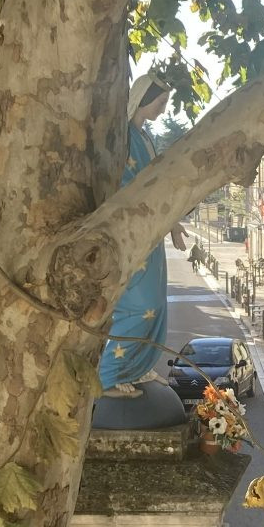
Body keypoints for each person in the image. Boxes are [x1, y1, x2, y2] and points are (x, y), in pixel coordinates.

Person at [97, 73, 184, 397]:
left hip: (152, 233)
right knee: (138, 304)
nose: (163, 109)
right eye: (160, 102)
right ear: (144, 99)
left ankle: (136, 367)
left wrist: (172, 223)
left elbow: (156, 183)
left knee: (157, 305)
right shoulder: (124, 137)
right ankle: (107, 376)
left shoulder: (145, 136)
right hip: (134, 232)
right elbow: (128, 186)